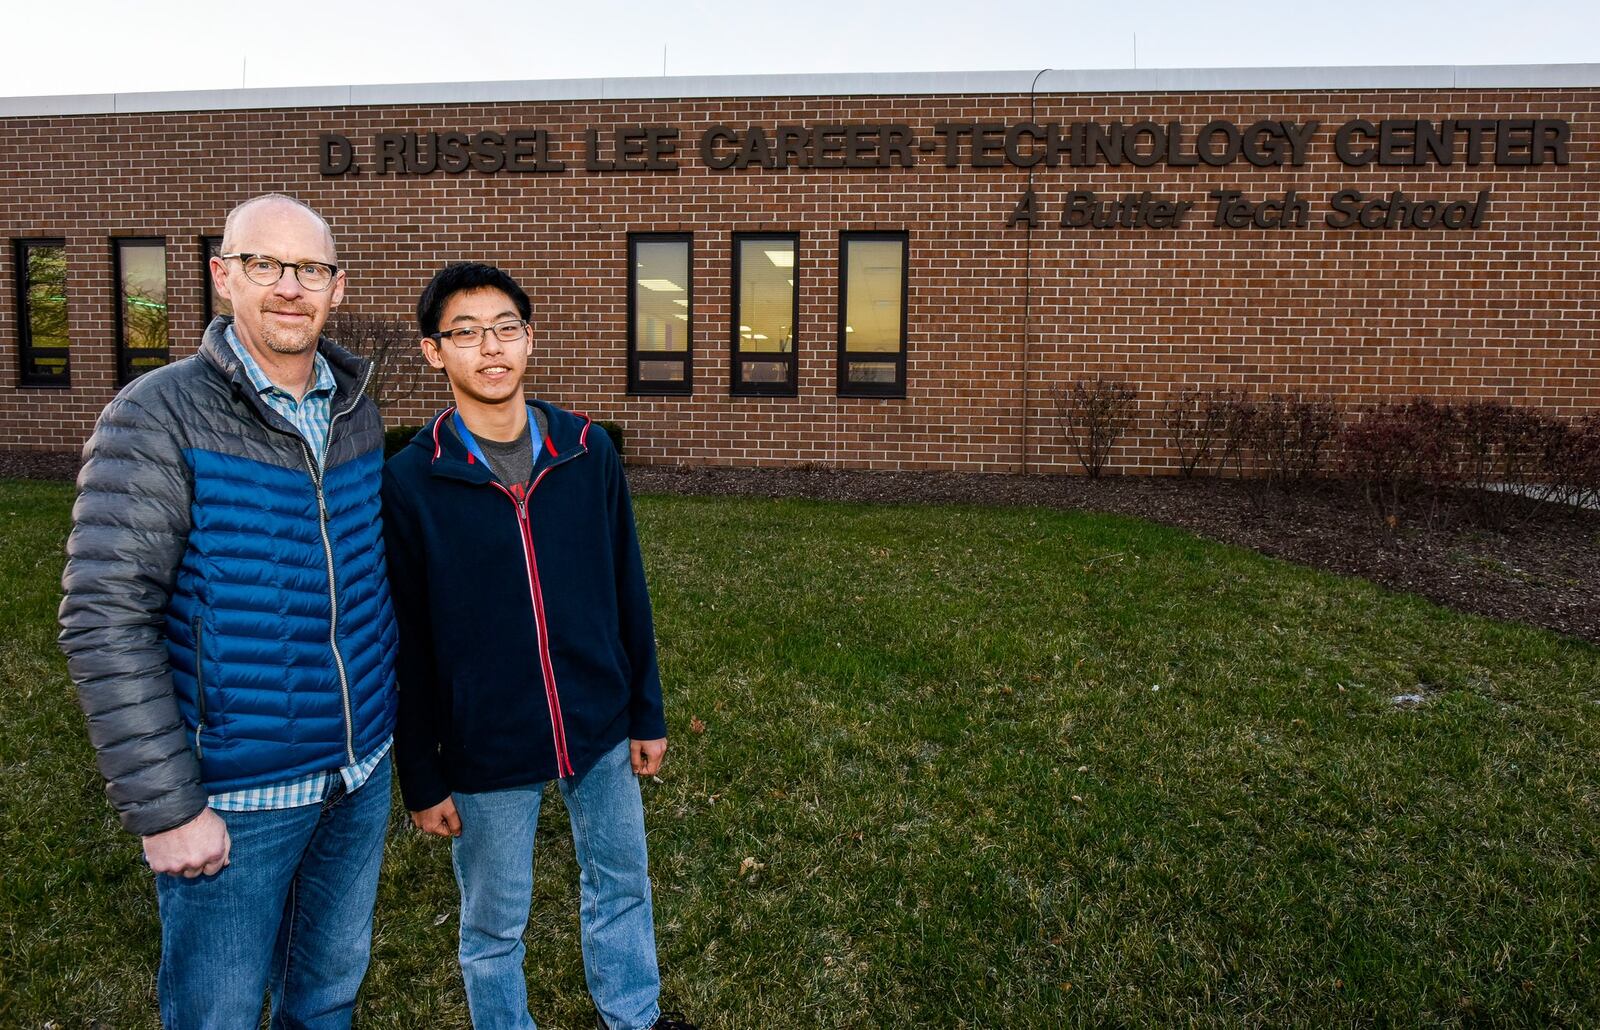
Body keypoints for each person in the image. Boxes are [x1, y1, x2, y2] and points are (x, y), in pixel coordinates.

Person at [58, 194, 398, 1028]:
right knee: (217, 1013)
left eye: (309, 269)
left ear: (338, 288)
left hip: (356, 776)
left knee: (326, 1000)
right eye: (264, 264)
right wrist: (168, 807)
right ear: (222, 276)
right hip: (237, 799)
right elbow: (104, 616)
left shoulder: (355, 411)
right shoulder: (155, 414)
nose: (289, 287)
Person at [382, 262, 695, 1030]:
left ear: (530, 339)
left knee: (621, 883)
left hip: (599, 724)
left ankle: (635, 1014)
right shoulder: (410, 484)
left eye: (506, 328)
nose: (490, 349)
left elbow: (628, 587)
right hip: (486, 745)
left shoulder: (587, 452)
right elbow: (407, 643)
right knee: (494, 924)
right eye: (466, 333)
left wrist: (644, 712)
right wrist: (421, 774)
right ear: (434, 352)